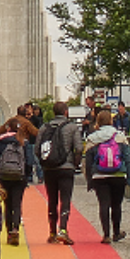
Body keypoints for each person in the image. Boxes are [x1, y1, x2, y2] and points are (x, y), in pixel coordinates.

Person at [37, 102, 83, 244]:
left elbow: (37, 149)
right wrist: (75, 164)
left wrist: (44, 163)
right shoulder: (72, 127)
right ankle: (63, 229)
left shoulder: (44, 127)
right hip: (66, 168)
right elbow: (79, 148)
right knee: (65, 198)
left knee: (52, 199)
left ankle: (51, 232)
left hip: (49, 169)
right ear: (66, 112)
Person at [84, 114, 130, 242]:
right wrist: (129, 177)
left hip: (99, 176)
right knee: (116, 204)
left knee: (103, 204)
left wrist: (89, 180)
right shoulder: (120, 136)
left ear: (98, 123)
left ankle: (106, 235)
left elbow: (87, 162)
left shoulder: (92, 138)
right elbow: (128, 158)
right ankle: (116, 232)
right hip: (118, 175)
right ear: (111, 121)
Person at [0, 117, 33, 245]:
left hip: (4, 177)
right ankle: (15, 229)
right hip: (19, 177)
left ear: (8, 128)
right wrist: (26, 175)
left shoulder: (0, 141)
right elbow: (29, 161)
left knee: (7, 204)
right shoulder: (24, 142)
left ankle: (8, 232)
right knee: (17, 203)